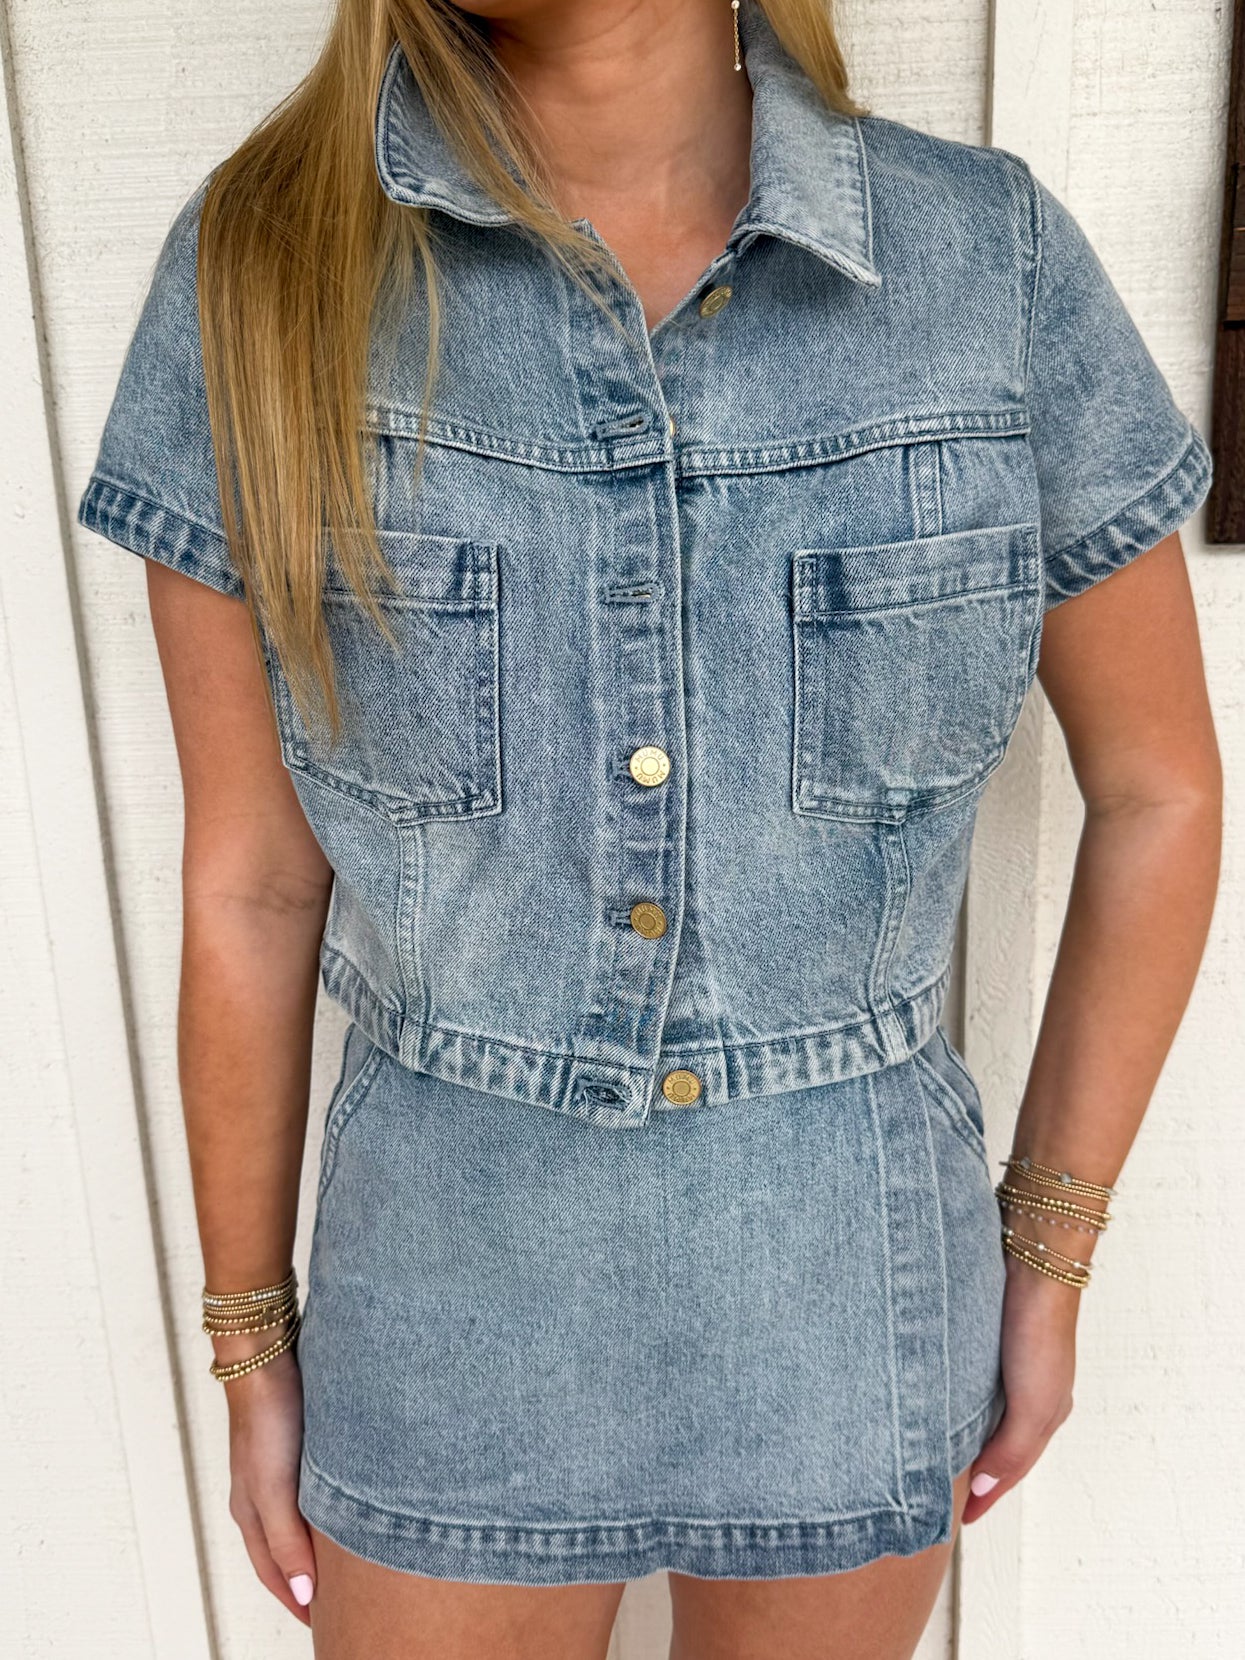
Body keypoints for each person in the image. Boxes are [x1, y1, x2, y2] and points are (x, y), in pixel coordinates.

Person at [77, 1, 1222, 1655]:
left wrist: (1048, 1250)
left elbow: (1159, 789)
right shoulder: (262, 271)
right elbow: (250, 885)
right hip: (444, 1298)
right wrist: (250, 1343)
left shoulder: (985, 264)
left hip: (848, 1301)